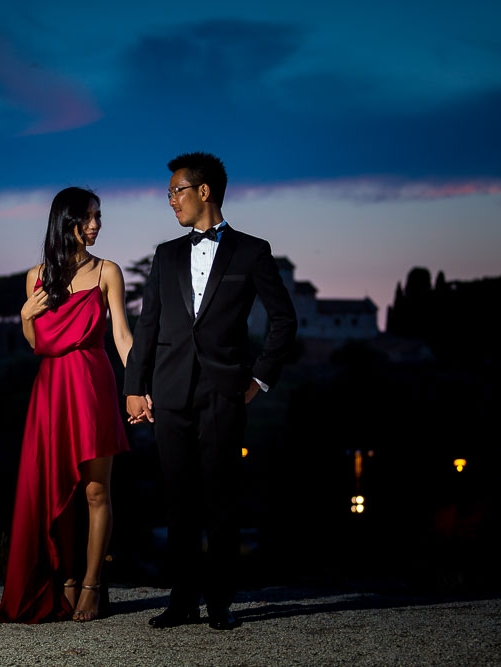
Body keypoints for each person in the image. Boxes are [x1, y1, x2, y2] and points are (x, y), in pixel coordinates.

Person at [125, 152, 296, 630]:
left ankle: (220, 603)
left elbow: (284, 319)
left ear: (204, 191)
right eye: (169, 193)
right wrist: (134, 388)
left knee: (222, 500)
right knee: (178, 499)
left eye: (176, 191)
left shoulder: (252, 251)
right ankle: (181, 601)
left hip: (225, 390)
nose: (171, 201)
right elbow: (148, 324)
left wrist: (259, 378)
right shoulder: (166, 254)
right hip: (169, 390)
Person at [0, 187, 135, 623]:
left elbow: (122, 337)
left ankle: (91, 585)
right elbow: (39, 345)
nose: (95, 225)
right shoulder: (36, 277)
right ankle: (66, 580)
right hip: (51, 390)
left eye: (98, 217)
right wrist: (24, 316)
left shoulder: (108, 271)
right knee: (58, 492)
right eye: (87, 217)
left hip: (92, 386)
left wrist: (140, 386)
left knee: (95, 491)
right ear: (65, 220)